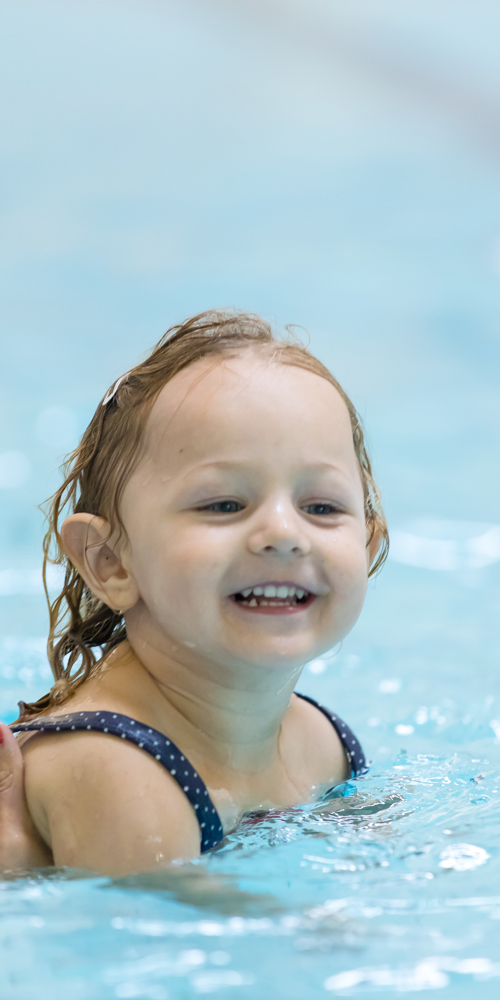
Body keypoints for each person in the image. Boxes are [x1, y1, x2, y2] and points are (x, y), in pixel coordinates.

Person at [0, 310, 388, 876]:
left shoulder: (323, 743)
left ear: (369, 544)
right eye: (223, 505)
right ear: (109, 562)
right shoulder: (116, 767)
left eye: (321, 507)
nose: (283, 533)